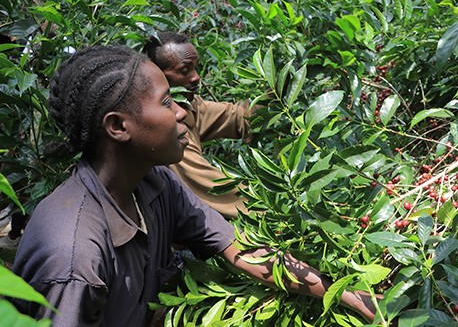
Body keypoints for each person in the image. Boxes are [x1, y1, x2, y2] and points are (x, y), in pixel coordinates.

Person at [11, 45, 377, 326]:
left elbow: (242, 252)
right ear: (119, 127)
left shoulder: (155, 183)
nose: (182, 112)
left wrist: (338, 292)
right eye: (167, 102)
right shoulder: (75, 257)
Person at [143, 32, 252, 219]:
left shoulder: (189, 105)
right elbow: (208, 184)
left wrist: (277, 89)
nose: (196, 77)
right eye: (185, 71)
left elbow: (237, 116)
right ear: (157, 75)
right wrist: (269, 208)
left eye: (195, 68)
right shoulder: (161, 128)